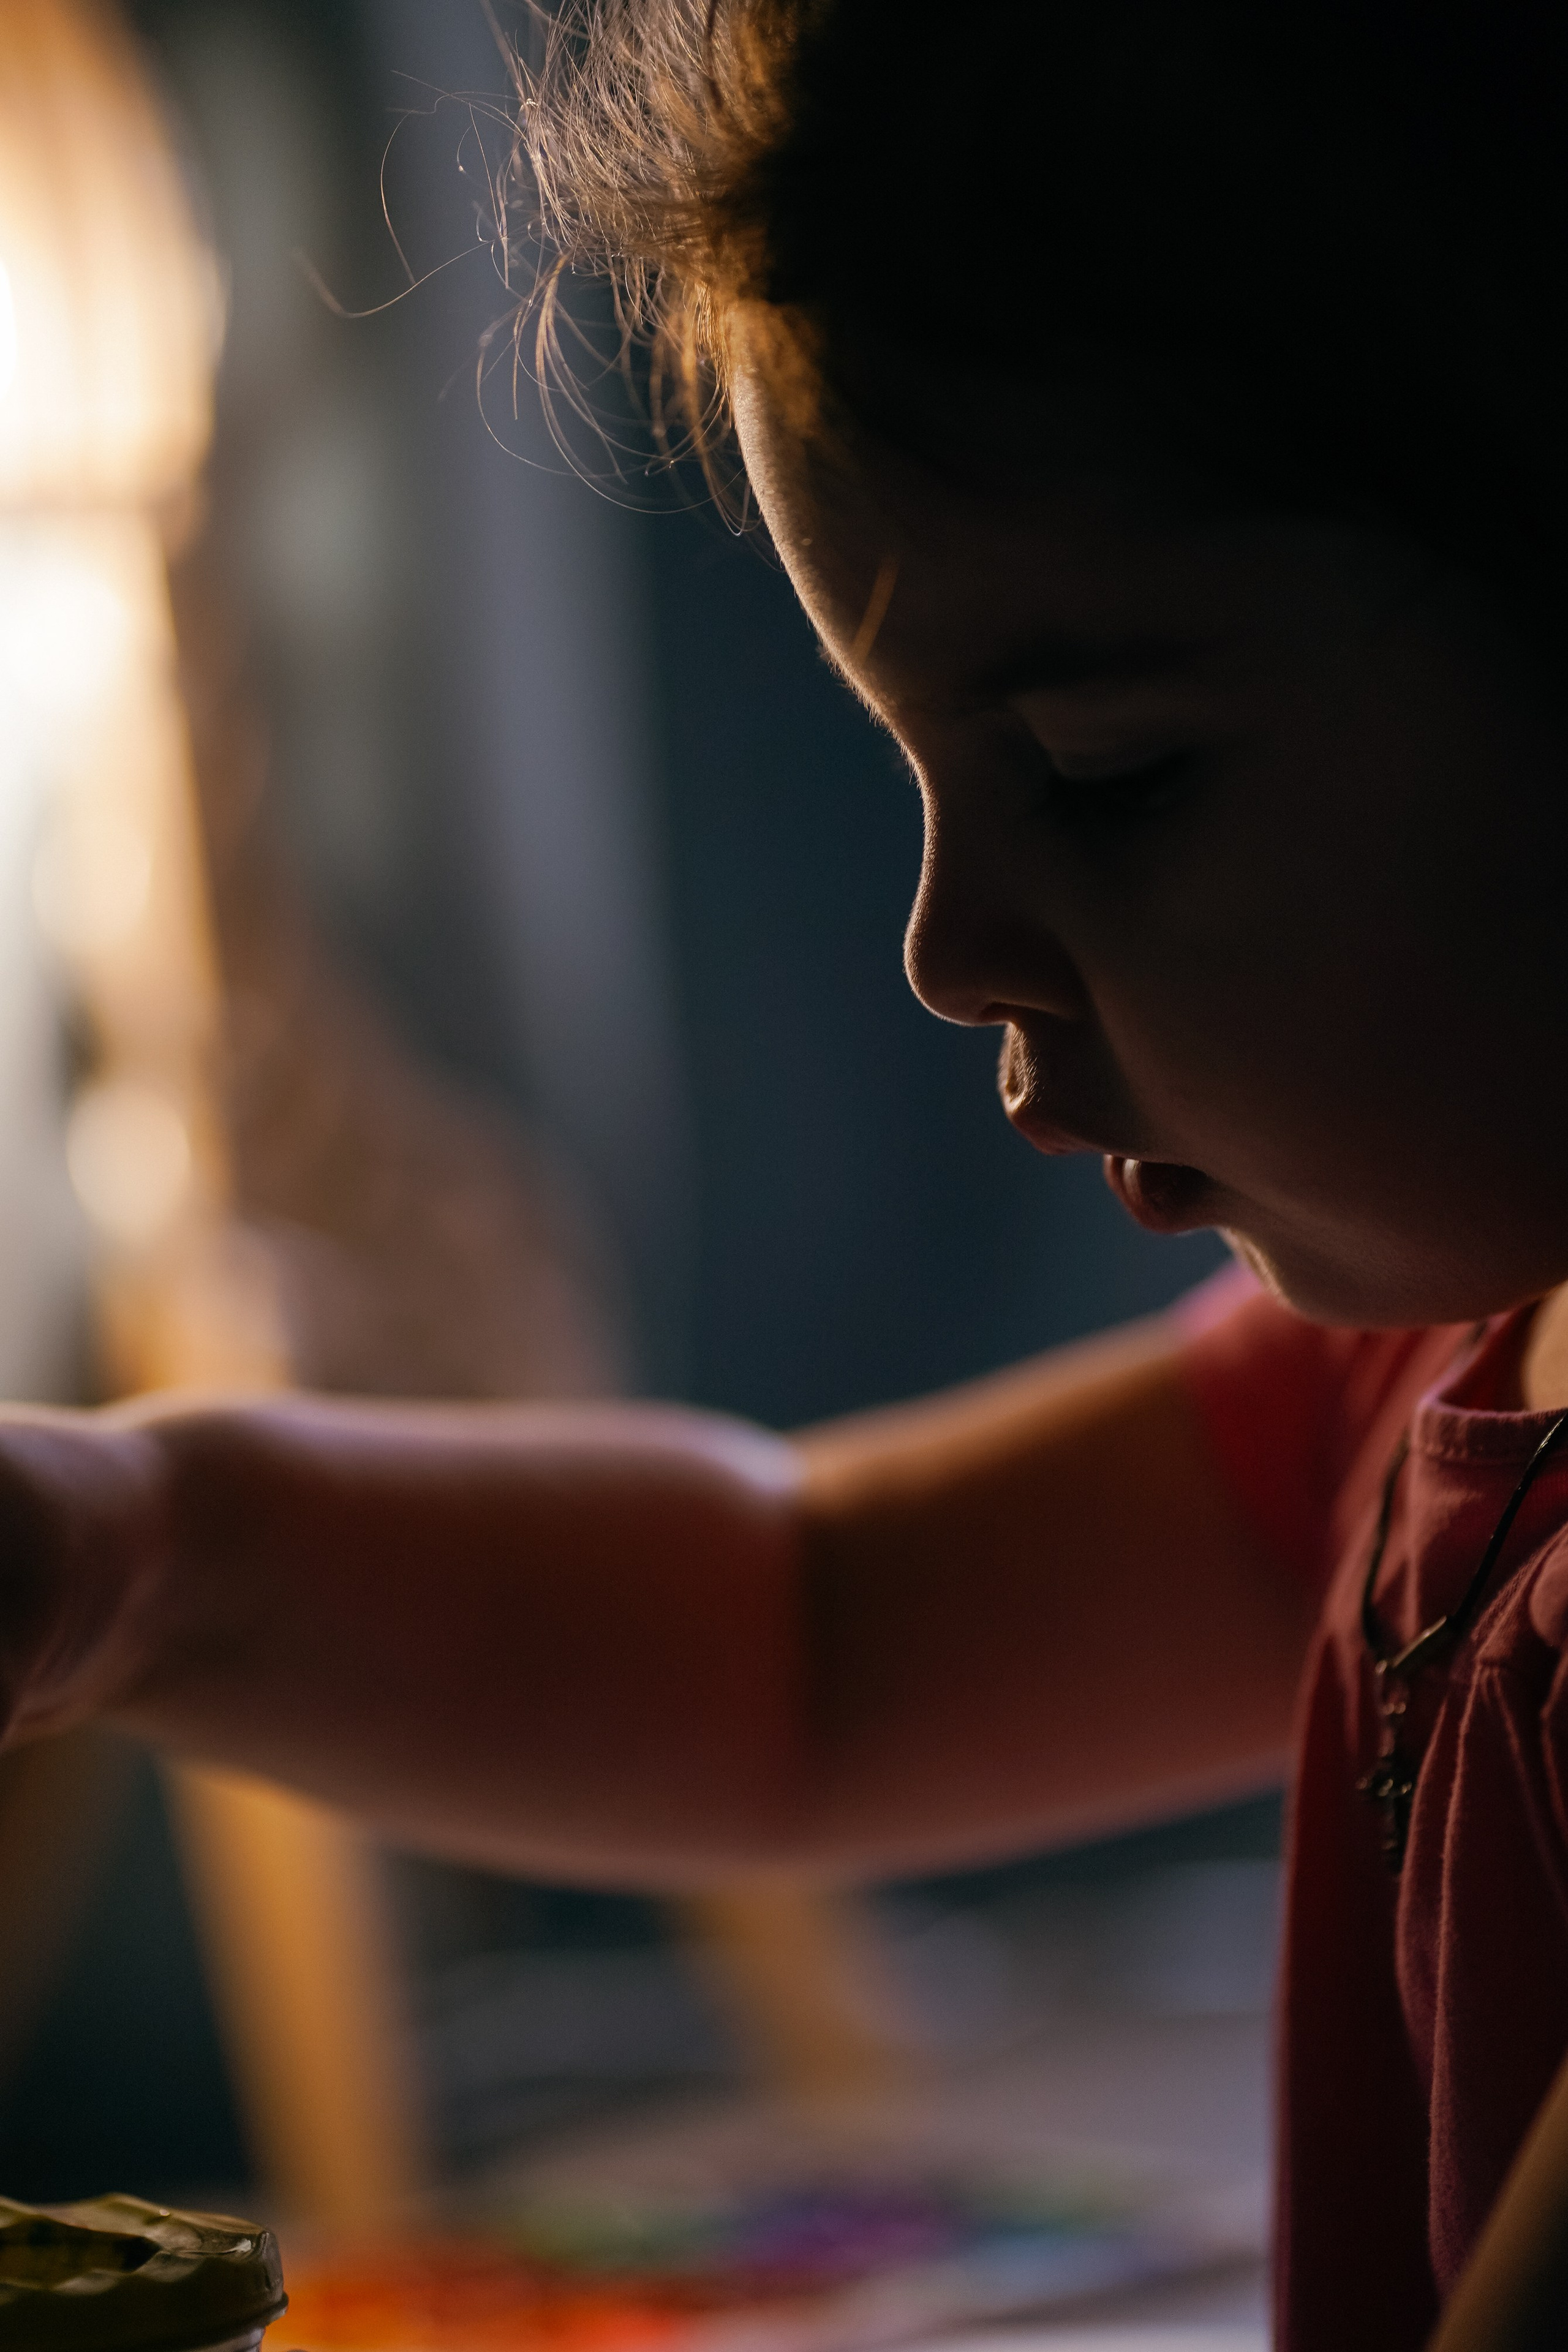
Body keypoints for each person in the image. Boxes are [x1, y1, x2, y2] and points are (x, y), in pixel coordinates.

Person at [4, 1, 1567, 2341]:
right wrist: (122, 1562)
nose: (946, 952)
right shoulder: (1445, 1364)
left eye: (1110, 777)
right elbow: (802, 1648)